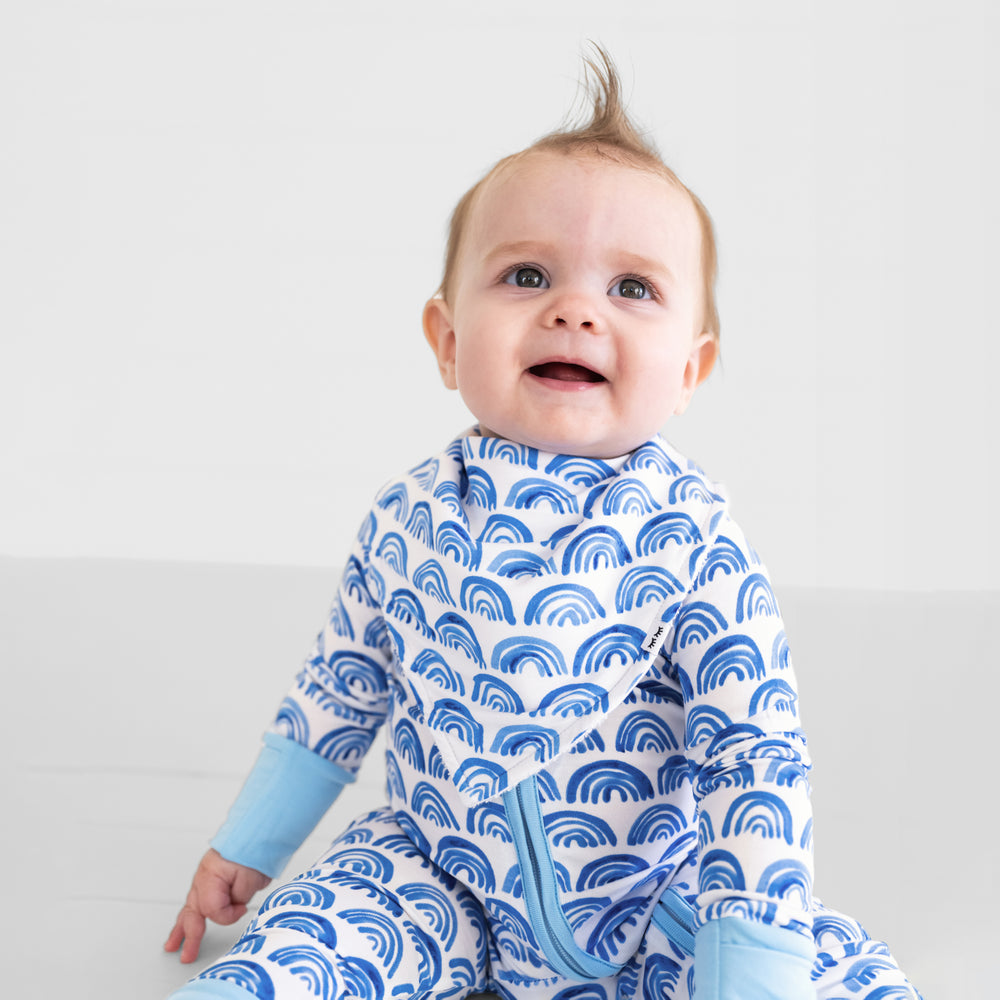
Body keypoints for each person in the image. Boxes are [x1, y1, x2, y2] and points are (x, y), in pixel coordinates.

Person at [164, 48, 922, 1000]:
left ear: (689, 372)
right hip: (433, 877)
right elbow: (338, 691)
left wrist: (753, 966)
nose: (575, 311)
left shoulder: (697, 544)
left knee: (821, 974)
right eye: (526, 275)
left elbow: (752, 758)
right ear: (447, 339)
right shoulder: (410, 516)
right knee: (310, 946)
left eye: (632, 289)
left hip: (652, 900)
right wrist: (250, 842)